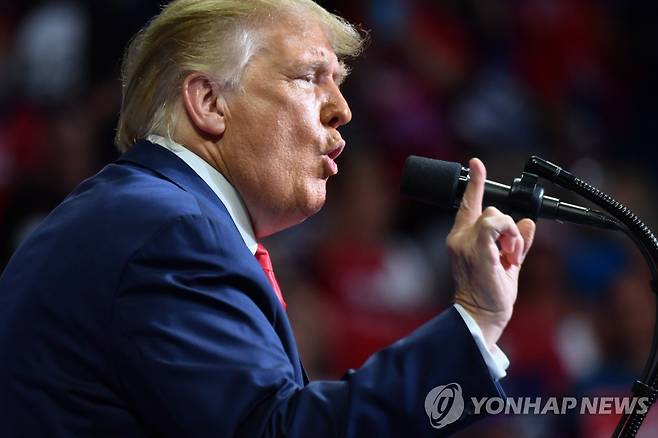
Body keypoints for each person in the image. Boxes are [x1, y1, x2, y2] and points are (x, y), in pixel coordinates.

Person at [0, 0, 535, 436]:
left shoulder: (138, 213)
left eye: (341, 81)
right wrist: (476, 319)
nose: (342, 108)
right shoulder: (170, 231)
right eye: (309, 77)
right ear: (209, 102)